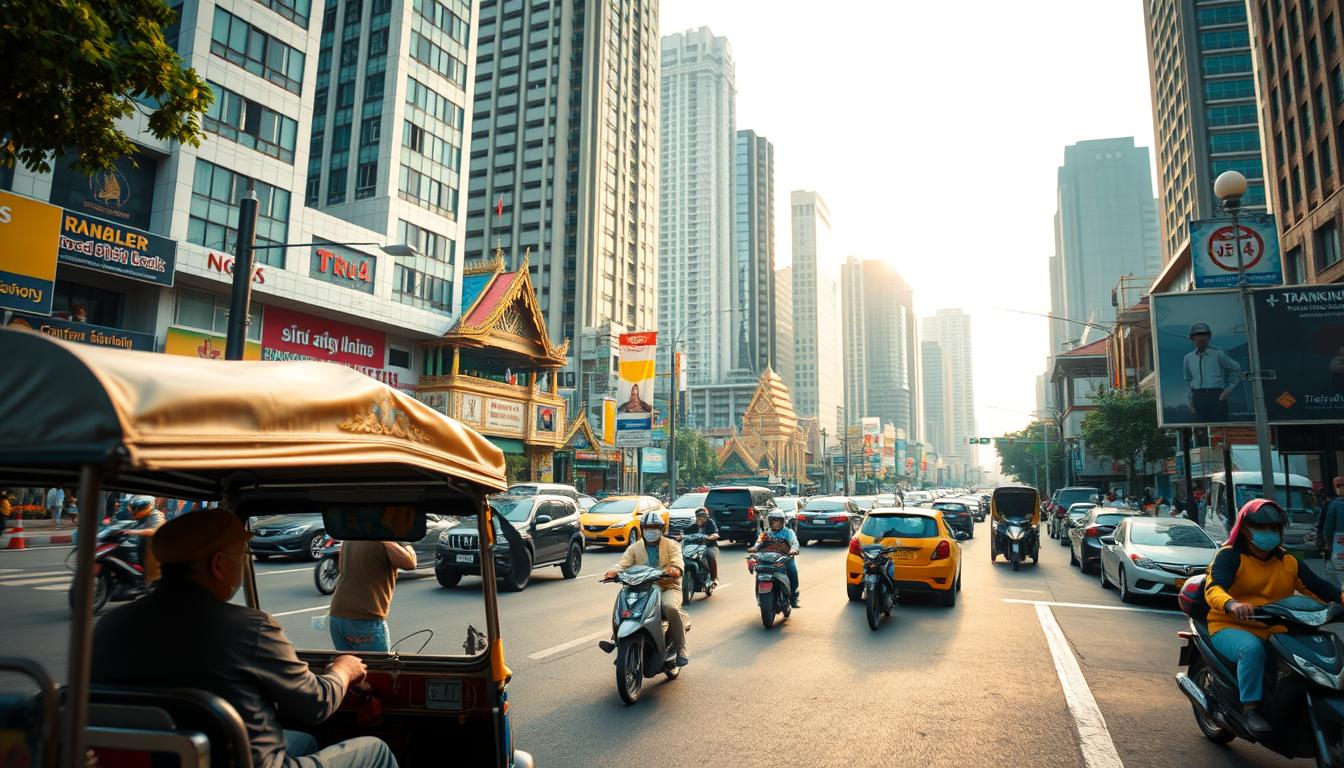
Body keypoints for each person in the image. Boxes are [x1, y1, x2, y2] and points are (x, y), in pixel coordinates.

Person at [91, 508, 397, 768]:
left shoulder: (110, 624)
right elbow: (315, 705)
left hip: (165, 759)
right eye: (242, 555)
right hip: (243, 760)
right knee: (377, 750)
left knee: (302, 741)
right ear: (219, 565)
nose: (244, 561)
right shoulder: (249, 627)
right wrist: (343, 669)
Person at [1203, 499, 1344, 735]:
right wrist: (1232, 603)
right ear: (1245, 529)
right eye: (1262, 528)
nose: (1269, 533)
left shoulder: (1288, 561)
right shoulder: (1229, 556)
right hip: (1231, 625)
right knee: (1251, 649)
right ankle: (1251, 709)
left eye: (1274, 528)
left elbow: (1318, 587)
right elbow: (1213, 587)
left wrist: (1340, 598)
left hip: (1278, 628)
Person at [604, 511, 690, 666]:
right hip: (641, 588)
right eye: (647, 528)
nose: (651, 531)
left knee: (670, 607)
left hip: (668, 587)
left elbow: (677, 560)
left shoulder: (671, 545)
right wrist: (613, 572)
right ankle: (618, 641)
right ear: (642, 528)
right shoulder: (634, 548)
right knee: (624, 604)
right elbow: (623, 563)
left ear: (661, 529)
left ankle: (681, 648)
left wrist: (675, 568)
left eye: (655, 527)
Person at [327, 539, 416, 652]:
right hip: (364, 619)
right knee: (379, 667)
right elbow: (410, 562)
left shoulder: (350, 536)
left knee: (348, 665)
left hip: (337, 616)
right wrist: (406, 545)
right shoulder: (382, 539)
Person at [1182, 322, 1243, 422]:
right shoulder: (1188, 358)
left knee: (1220, 426)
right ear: (1192, 339)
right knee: (1201, 429)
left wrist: (1228, 390)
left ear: (1208, 338)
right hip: (1198, 397)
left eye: (1204, 336)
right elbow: (1188, 377)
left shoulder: (1218, 353)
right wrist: (1191, 398)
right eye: (1198, 336)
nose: (1201, 339)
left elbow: (1236, 369)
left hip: (1216, 396)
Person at [750, 509, 801, 608]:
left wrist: (793, 550)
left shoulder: (788, 532)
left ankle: (793, 596)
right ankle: (760, 595)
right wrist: (754, 548)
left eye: (778, 521)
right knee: (758, 570)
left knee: (792, 571)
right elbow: (758, 543)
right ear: (770, 522)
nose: (776, 523)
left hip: (784, 558)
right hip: (768, 559)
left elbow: (794, 543)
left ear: (783, 522)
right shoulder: (765, 533)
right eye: (774, 521)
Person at [120, 495, 166, 583]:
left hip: (153, 549)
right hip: (136, 543)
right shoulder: (138, 516)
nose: (134, 511)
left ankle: (150, 580)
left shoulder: (157, 515)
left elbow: (155, 530)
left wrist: (132, 532)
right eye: (134, 508)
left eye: (137, 508)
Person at [678, 507, 720, 585]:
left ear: (706, 517)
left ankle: (714, 578)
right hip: (696, 547)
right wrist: (680, 536)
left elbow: (715, 533)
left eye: (703, 516)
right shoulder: (693, 526)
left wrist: (712, 536)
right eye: (698, 516)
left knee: (709, 555)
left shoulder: (710, 523)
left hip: (710, 546)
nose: (700, 518)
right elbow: (683, 533)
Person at [1321, 476, 1344, 586]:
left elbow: (1328, 528)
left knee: (1335, 575)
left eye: (1340, 486)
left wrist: (1328, 544)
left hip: (1339, 548)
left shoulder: (1334, 505)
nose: (1338, 488)